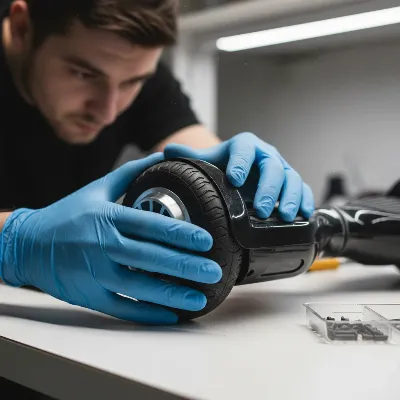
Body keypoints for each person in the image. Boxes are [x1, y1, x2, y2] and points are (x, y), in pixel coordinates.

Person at [0, 0, 315, 326]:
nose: (108, 111)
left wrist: (236, 183)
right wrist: (15, 242)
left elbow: (204, 161)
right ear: (22, 27)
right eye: (83, 73)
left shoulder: (129, 66)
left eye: (132, 83)